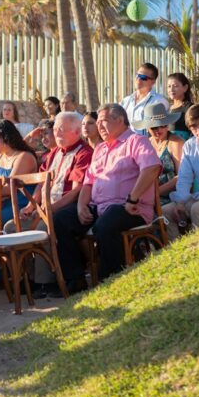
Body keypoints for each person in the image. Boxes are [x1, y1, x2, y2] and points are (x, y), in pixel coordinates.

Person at [52, 104, 162, 290]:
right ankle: (75, 280)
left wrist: (132, 199)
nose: (99, 127)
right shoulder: (100, 148)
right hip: (98, 207)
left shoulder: (136, 141)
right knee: (60, 220)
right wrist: (81, 207)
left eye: (103, 121)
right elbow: (88, 183)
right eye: (98, 123)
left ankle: (110, 282)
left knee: (105, 225)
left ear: (120, 120)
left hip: (129, 208)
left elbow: (151, 168)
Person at [18, 111, 92, 297]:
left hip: (68, 207)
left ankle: (48, 282)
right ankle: (26, 279)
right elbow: (41, 183)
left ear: (76, 131)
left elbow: (76, 192)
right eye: (56, 129)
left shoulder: (83, 153)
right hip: (45, 207)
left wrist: (49, 209)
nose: (56, 133)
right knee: (14, 226)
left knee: (46, 225)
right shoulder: (53, 153)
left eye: (61, 130)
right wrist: (32, 206)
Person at [135, 103, 185, 204]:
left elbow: (182, 176)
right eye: (154, 127)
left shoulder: (176, 142)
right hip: (147, 195)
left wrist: (156, 193)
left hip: (171, 196)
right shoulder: (146, 143)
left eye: (163, 125)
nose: (159, 130)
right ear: (147, 128)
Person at [120, 63, 169, 135]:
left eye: (143, 77)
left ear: (153, 81)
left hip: (147, 144)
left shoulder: (159, 101)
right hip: (126, 144)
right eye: (137, 75)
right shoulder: (125, 101)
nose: (138, 79)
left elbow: (161, 128)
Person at [166, 72, 194, 140]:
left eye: (175, 86)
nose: (171, 90)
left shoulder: (190, 108)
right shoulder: (167, 108)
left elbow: (193, 131)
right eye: (169, 86)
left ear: (185, 88)